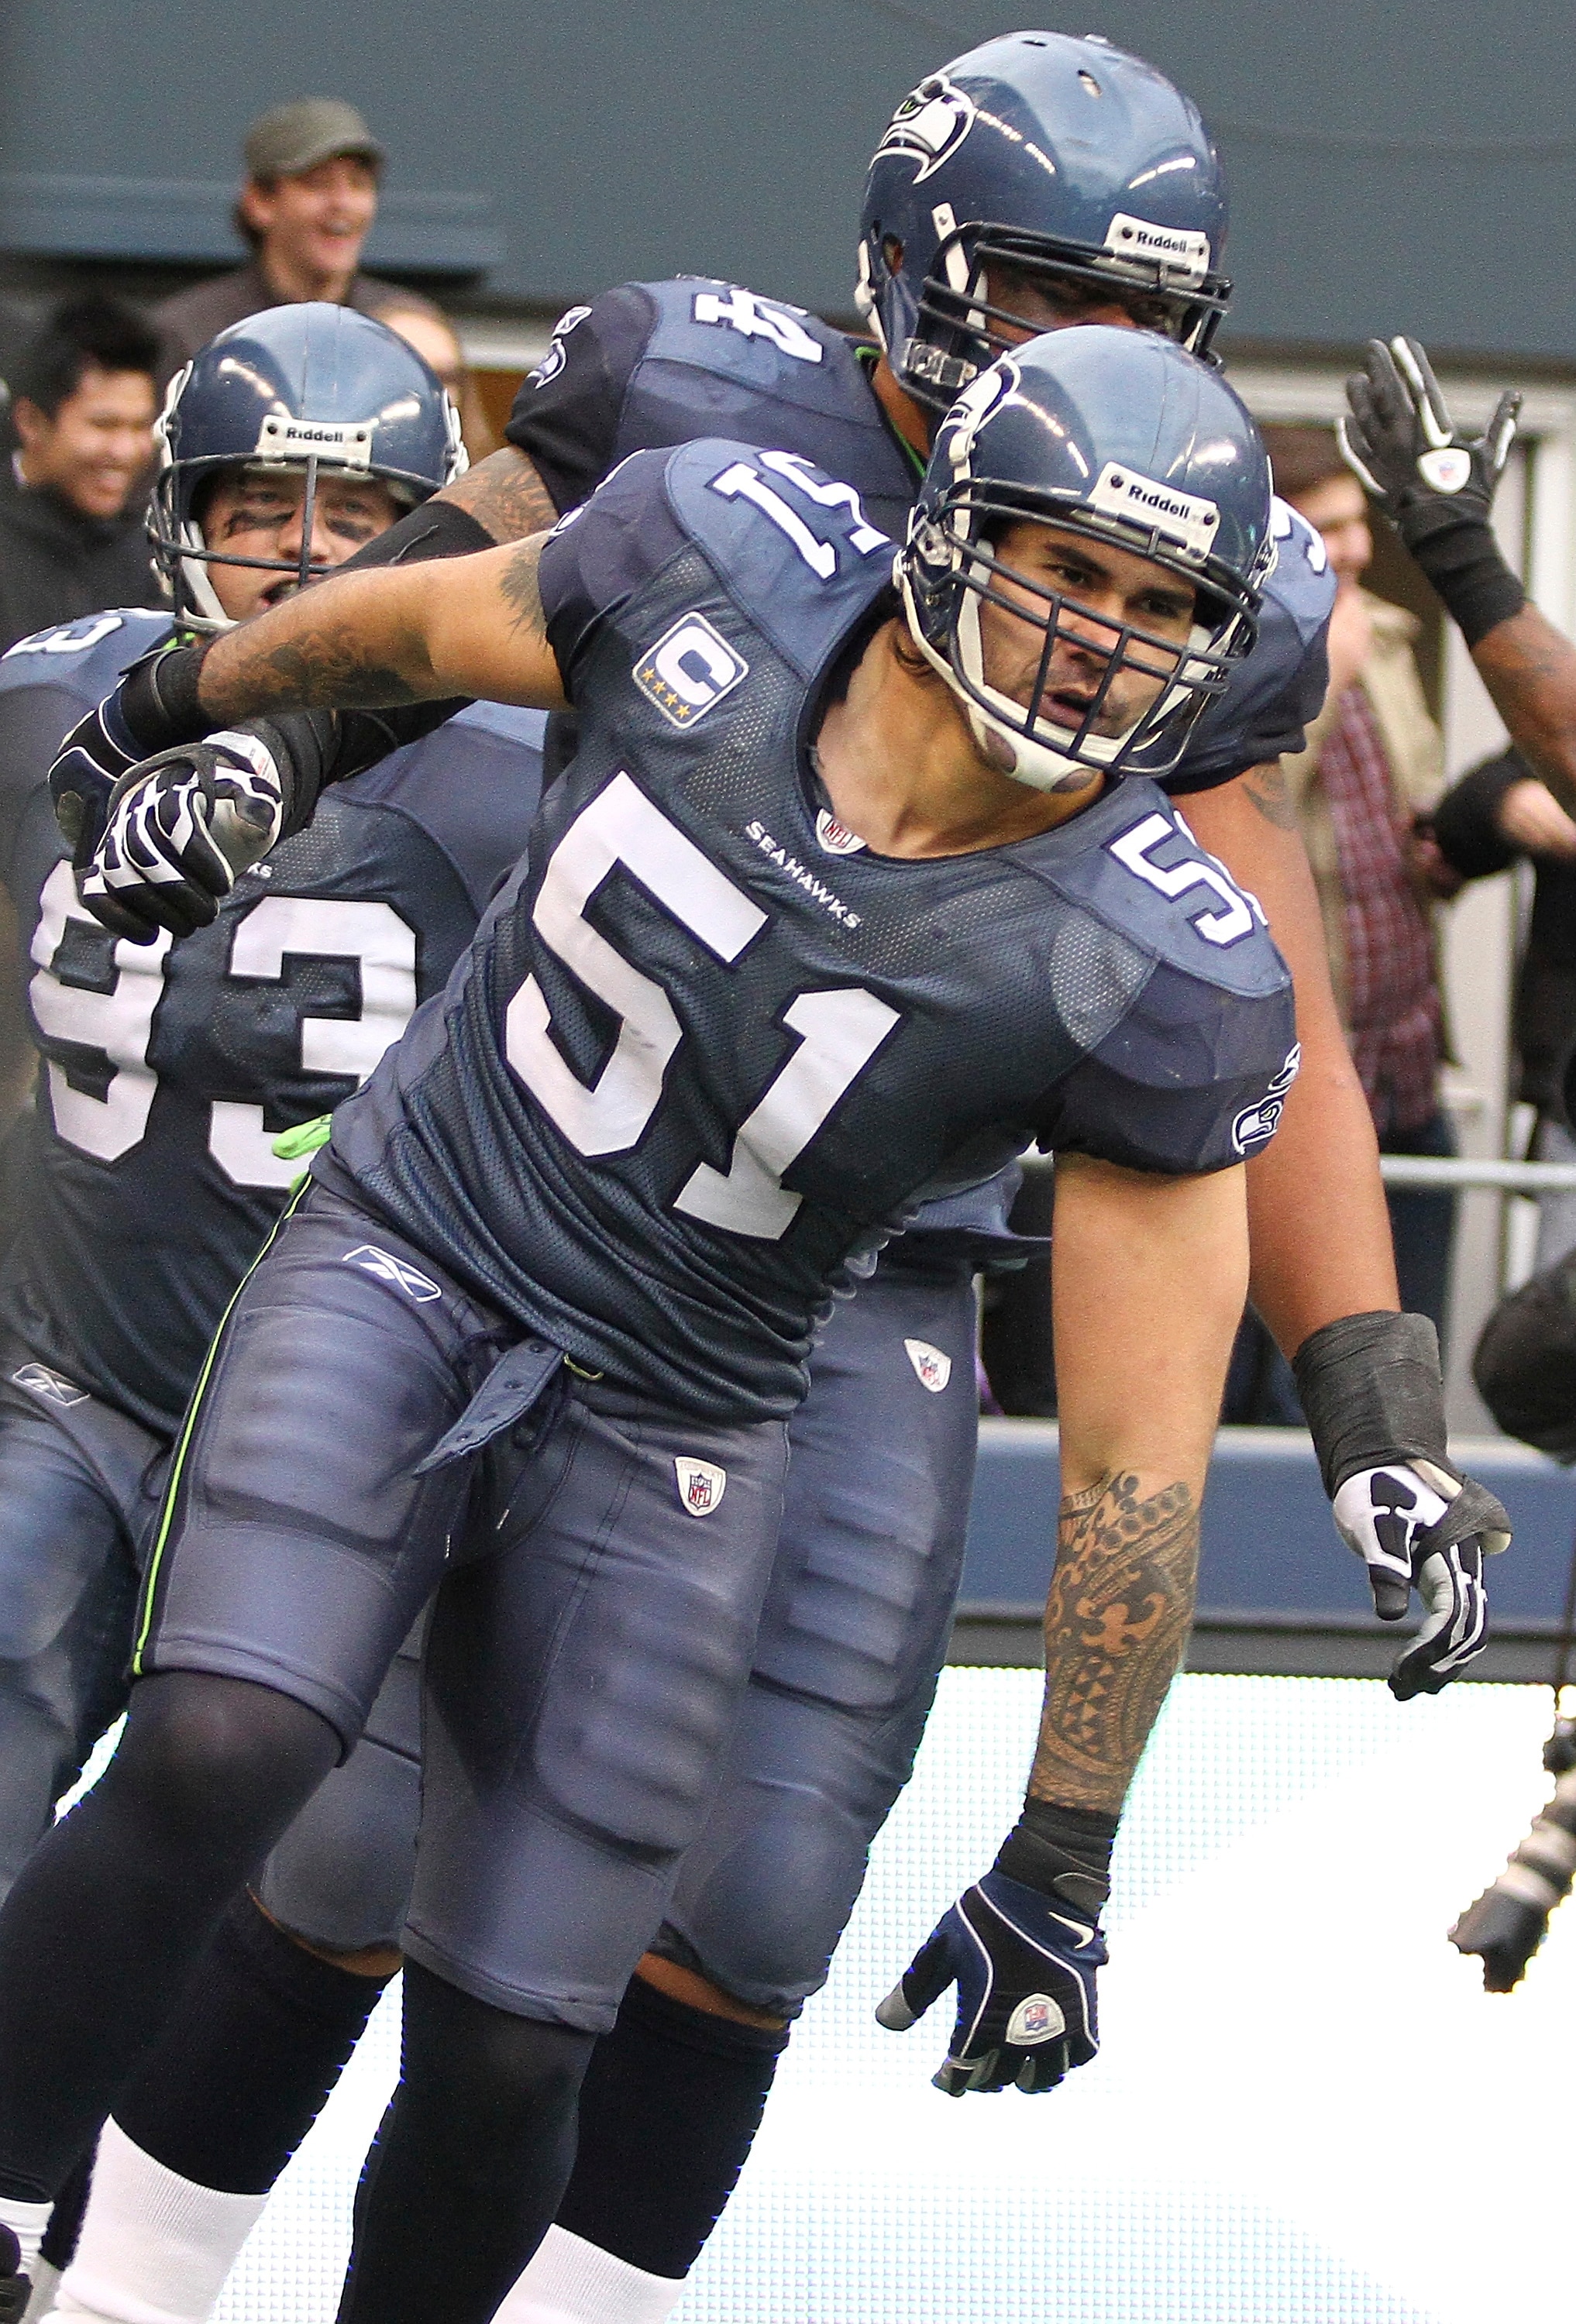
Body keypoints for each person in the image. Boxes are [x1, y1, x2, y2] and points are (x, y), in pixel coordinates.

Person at [35, 37, 1511, 2324]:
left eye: (1139, 323)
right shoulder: (693, 424)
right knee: (319, 1813)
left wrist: (1368, 1393)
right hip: (507, 1170)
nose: (1079, 365)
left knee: (735, 1901)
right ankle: (121, 2284)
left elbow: (1251, 1004)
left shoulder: (1192, 610)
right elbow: (418, 630)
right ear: (918, 266)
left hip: (844, 1289)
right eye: (1034, 298)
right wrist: (232, 746)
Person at [0, 301, 544, 2310]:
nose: (311, 558)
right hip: (75, 1371)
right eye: (260, 509)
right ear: (175, 518)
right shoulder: (46, 699)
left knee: (297, 1894)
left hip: (350, 1426)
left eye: (359, 517)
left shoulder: (522, 779)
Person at [1261, 425, 1457, 1339]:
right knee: (1282, 1357)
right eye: (1325, 527)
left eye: (1356, 524)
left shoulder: (1387, 635)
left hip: (1405, 1066)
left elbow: (1416, 799)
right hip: (1285, 1078)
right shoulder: (1213, 661)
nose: (1353, 548)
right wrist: (1322, 678)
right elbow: (1243, 826)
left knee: (1399, 1338)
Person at [150, 100, 448, 386]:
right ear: (260, 202)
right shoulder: (190, 334)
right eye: (318, 184)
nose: (343, 203)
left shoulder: (412, 329)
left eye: (359, 184)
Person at [0, 300, 160, 655]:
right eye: (104, 425)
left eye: (140, 426)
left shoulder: (153, 545)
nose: (125, 451)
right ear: (31, 422)